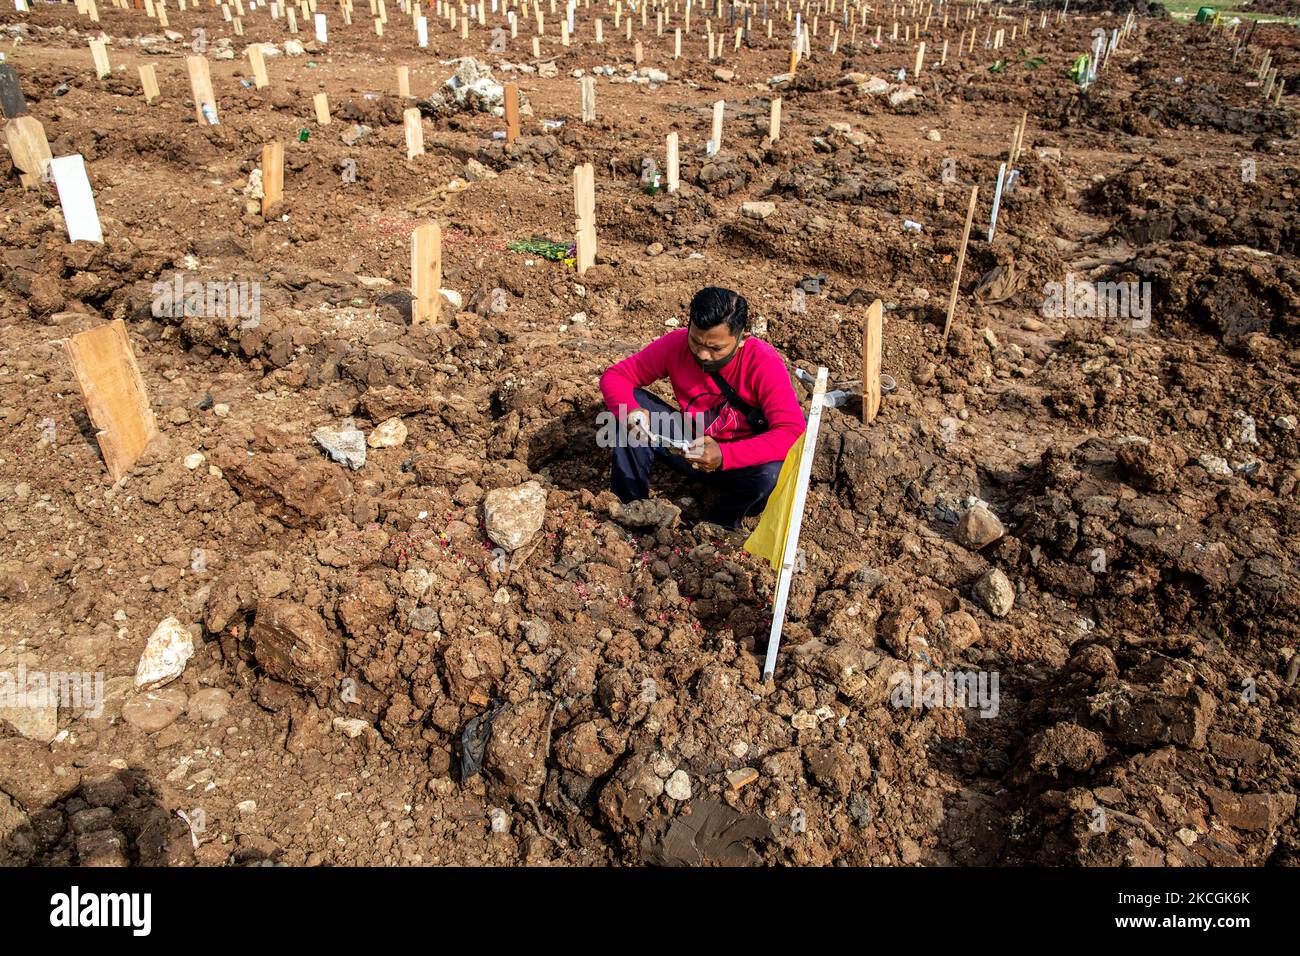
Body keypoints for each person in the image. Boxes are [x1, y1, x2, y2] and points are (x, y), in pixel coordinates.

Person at [599, 287, 806, 529]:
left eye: (716, 348)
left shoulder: (763, 363)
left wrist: (725, 456)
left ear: (742, 339)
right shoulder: (676, 345)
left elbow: (792, 432)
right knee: (627, 410)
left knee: (770, 473)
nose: (703, 354)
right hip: (690, 448)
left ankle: (718, 526)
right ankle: (630, 509)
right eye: (696, 341)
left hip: (740, 465)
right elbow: (617, 376)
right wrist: (632, 412)